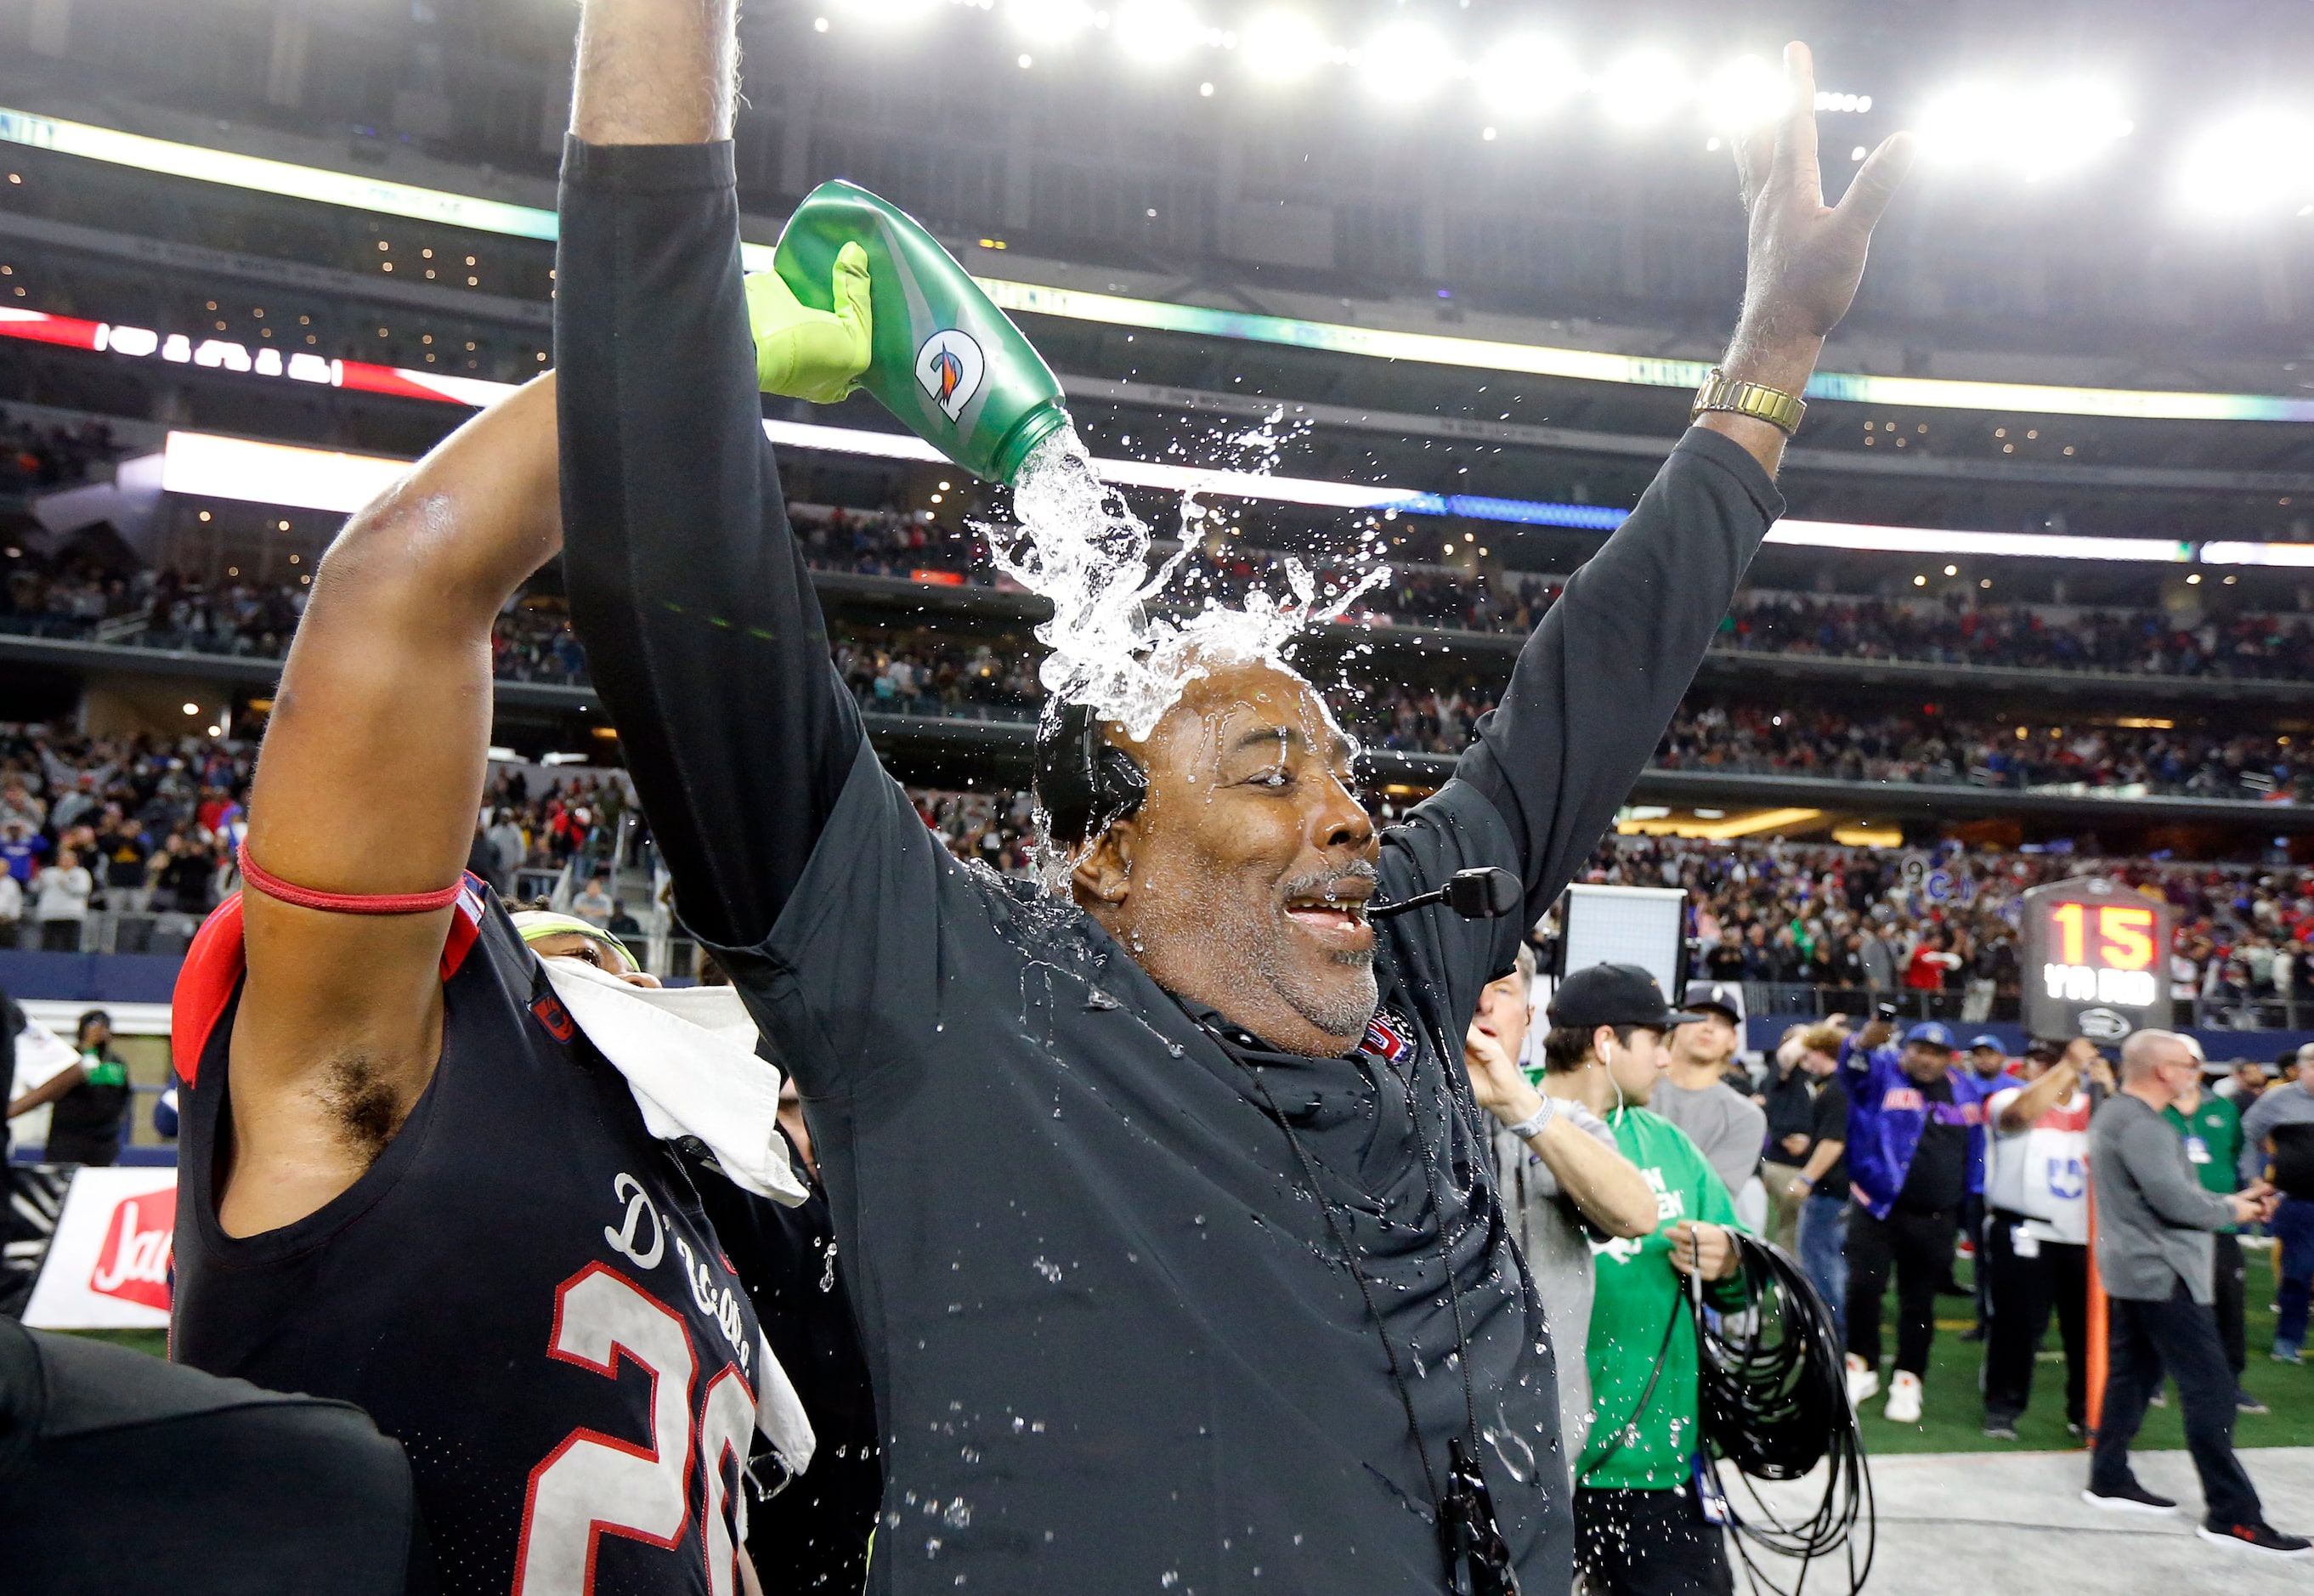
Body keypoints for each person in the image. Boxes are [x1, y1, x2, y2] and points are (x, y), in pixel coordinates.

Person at [553, 2, 1910, 1583]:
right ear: (1105, 853)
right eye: (1273, 772)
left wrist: (1774, 356)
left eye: (1343, 773)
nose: (1349, 816)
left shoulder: (1394, 953)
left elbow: (1583, 691)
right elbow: (668, 558)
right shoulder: (944, 1000)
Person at [166, 376, 814, 1596]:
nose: (615, 976)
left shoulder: (688, 1211)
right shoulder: (385, 1071)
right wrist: (673, 343)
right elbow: (398, 585)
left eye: (621, 960)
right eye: (568, 955)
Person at [1553, 966, 1750, 1596]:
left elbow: (1743, 1283)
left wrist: (1729, 1263)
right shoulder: (1501, 1124)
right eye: (1655, 1041)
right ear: (1606, 1043)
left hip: (1655, 1465)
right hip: (1531, 1461)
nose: (1667, 1059)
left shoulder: (1669, 1145)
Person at [2084, 1031, 2306, 1559]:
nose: (2195, 1073)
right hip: (2164, 1272)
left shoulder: (2119, 1115)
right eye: (2188, 1064)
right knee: (2210, 1386)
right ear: (2164, 1070)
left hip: (2135, 1269)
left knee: (2131, 1375)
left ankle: (2108, 1475)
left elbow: (2167, 1195)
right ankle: (2233, 1515)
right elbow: (2176, 1204)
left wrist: (2229, 1199)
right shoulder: (2143, 1123)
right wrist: (2239, 1210)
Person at [1467, 955, 1661, 1461]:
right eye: (1472, 977)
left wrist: (1519, 1108)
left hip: (1538, 1449)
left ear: (1527, 1019)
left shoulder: (1563, 1122)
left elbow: (1638, 1215)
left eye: (1504, 989)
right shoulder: (1389, 1109)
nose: (1485, 1000)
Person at [1839, 1018, 1998, 1423]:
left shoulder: (1964, 1091)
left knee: (1919, 1301)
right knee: (1864, 1289)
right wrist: (1861, 1043)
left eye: (1937, 1052)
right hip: (1877, 1207)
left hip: (1935, 1216)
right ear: (1904, 1050)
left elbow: (1974, 1152)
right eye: (1920, 1049)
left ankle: (1909, 1377)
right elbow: (1852, 1068)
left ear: (1949, 1058)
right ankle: (1862, 1365)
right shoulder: (1879, 1075)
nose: (1927, 1059)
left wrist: (1969, 1208)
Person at [1980, 1038, 2105, 1440]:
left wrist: (2106, 1086)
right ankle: (2003, 1408)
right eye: (2040, 1062)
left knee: (2086, 1331)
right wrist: (2068, 1067)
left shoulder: (2099, 1107)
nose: (2047, 1069)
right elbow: (2019, 1116)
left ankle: (2087, 1409)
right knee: (2017, 1327)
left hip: (2084, 1237)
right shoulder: (2008, 1098)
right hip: (2026, 1229)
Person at [2164, 1037, 2257, 1412]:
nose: (2184, 1071)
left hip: (2220, 1226)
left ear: (2199, 1067)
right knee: (2160, 1303)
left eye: (2190, 1063)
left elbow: (2233, 1154)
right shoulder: (2151, 1109)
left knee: (2229, 1306)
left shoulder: (2224, 1109)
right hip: (2169, 1225)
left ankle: (2229, 1383)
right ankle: (2152, 1378)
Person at [1649, 984, 1767, 1206]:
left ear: (1733, 1039)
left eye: (1721, 1023)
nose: (1708, 1028)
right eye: (1698, 1016)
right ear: (1676, 1025)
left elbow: (1712, 1198)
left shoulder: (1745, 1115)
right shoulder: (1634, 1088)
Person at [1775, 1022, 1850, 1337]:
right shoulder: (1845, 1086)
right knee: (1833, 1262)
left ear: (1821, 1053)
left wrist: (1806, 1178)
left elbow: (1834, 1141)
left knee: (1821, 1264)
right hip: (1843, 1187)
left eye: (1810, 1056)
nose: (1807, 1063)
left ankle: (1830, 1333)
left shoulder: (1836, 1089)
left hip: (1829, 1188)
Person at [2240, 1049, 2314, 1361]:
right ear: (2301, 1069)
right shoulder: (2278, 1099)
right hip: (2297, 1201)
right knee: (2298, 1272)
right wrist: (2254, 1179)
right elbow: (2243, 1135)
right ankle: (2288, 1340)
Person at [6, 1010, 131, 1167]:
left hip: (104, 1140)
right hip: (68, 1139)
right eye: (94, 1026)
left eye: (105, 1026)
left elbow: (124, 1095)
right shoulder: (67, 1059)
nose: (100, 1031)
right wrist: (88, 1048)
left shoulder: (116, 1062)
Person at [32, 844, 91, 953]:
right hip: (51, 914)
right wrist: (37, 879)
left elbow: (82, 890)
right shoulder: (49, 872)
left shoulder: (81, 873)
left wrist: (66, 884)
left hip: (71, 914)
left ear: (75, 861)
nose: (65, 861)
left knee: (70, 945)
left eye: (68, 859)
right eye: (62, 858)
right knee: (49, 945)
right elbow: (35, 888)